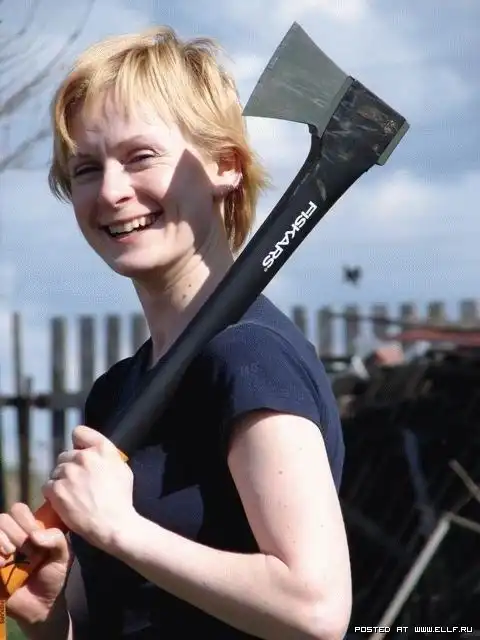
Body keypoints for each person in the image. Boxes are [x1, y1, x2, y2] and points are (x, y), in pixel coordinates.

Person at [0, 26, 351, 639]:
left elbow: (315, 610)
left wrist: (121, 529)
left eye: (140, 157)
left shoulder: (248, 359)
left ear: (225, 166)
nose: (112, 192)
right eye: (87, 168)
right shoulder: (117, 392)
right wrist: (51, 613)